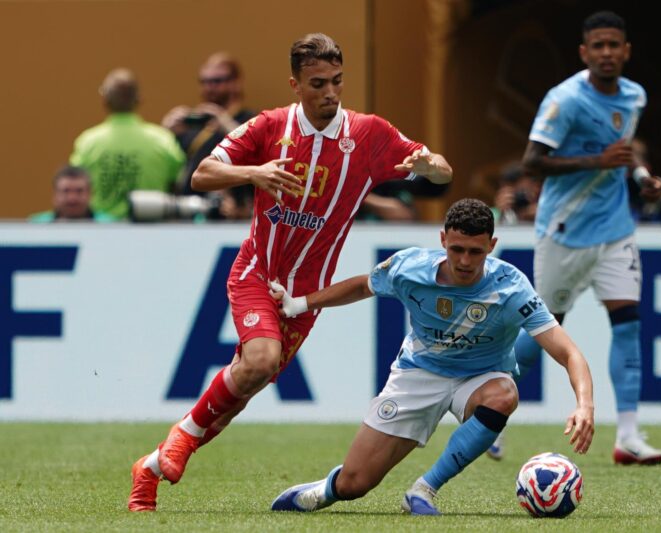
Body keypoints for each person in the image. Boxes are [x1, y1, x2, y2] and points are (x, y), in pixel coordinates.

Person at [127, 33, 453, 512]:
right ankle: (179, 440)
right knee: (258, 362)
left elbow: (441, 174)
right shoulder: (268, 126)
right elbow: (202, 175)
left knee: (244, 385)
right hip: (258, 271)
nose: (330, 93)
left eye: (337, 82)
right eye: (318, 83)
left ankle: (151, 467)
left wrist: (431, 165)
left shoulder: (369, 135)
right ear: (296, 84)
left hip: (307, 296)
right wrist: (253, 173)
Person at [269, 199, 594, 515]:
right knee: (355, 484)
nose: (465, 261)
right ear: (442, 240)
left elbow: (569, 352)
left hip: (480, 376)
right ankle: (325, 490)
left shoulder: (511, 287)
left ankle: (423, 490)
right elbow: (362, 287)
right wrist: (299, 304)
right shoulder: (409, 268)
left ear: (492, 245)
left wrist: (584, 405)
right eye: (457, 249)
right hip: (418, 373)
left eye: (475, 252)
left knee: (504, 395)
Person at [492, 11, 661, 465]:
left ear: (626, 51)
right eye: (599, 46)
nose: (607, 53)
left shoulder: (634, 96)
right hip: (565, 232)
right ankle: (489, 413)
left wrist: (641, 176)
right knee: (544, 331)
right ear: (584, 53)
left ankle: (628, 434)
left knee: (628, 324)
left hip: (615, 231)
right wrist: (599, 163)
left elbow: (621, 152)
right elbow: (533, 161)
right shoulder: (564, 99)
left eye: (615, 45)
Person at [69, 69, 185, 219]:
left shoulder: (87, 143)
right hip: (152, 230)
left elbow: (75, 185)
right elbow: (178, 187)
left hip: (101, 233)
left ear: (105, 100)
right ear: (139, 99)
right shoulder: (163, 140)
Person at [161, 52, 257, 196]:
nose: (209, 87)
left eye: (217, 81)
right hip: (189, 207)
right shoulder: (195, 125)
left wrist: (225, 123)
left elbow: (257, 154)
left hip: (232, 211)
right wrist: (166, 133)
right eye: (204, 81)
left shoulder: (249, 120)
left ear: (236, 83)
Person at [29, 166, 114, 222]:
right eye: (66, 191)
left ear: (90, 194)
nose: (72, 198)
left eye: (79, 191)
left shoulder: (110, 226)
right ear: (55, 195)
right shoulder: (35, 226)